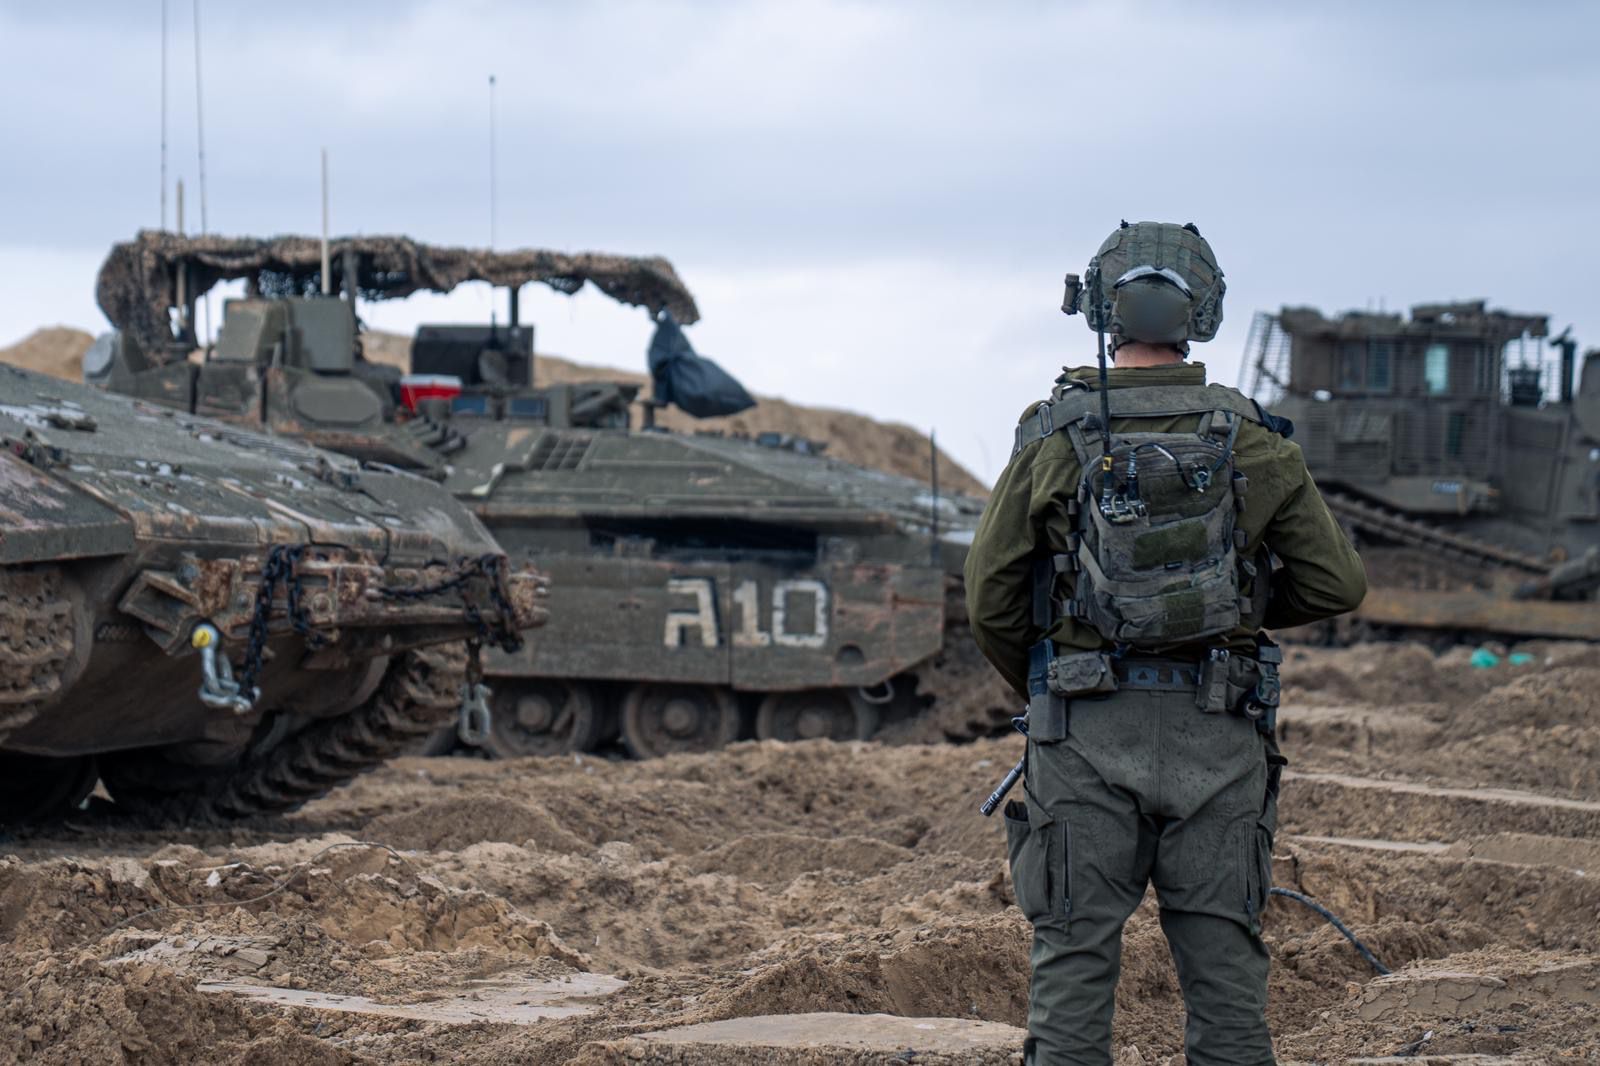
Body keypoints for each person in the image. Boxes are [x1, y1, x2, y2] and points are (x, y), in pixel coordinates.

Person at [965, 221, 1366, 1065]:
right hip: (1219, 728)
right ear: (1204, 313)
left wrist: (1050, 680)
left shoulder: (1052, 432)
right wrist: (1235, 605)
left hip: (1082, 727)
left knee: (1072, 959)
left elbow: (990, 592)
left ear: (1098, 311)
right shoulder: (1254, 436)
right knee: (1224, 974)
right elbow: (1336, 584)